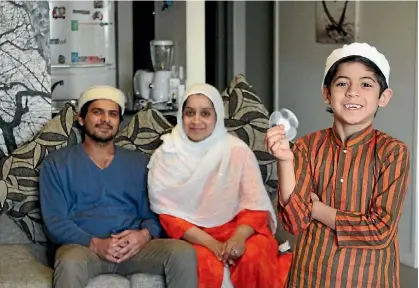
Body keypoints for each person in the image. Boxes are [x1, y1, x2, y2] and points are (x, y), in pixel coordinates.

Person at [265, 42, 410, 287]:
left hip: (369, 279)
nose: (353, 92)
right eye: (342, 83)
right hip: (308, 276)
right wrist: (285, 161)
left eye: (366, 84)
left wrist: (318, 210)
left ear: (383, 97)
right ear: (326, 93)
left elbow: (380, 230)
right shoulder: (306, 147)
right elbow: (294, 222)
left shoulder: (393, 152)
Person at [39, 85, 198, 288]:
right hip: (83, 249)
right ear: (81, 118)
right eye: (98, 112)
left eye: (112, 114)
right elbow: (55, 222)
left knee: (182, 252)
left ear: (119, 123)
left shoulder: (140, 164)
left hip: (134, 250)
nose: (106, 120)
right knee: (69, 261)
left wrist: (144, 235)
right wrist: (95, 243)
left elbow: (156, 214)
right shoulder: (57, 164)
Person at [147, 83, 285, 288]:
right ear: (180, 116)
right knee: (201, 262)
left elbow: (255, 206)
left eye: (205, 113)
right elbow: (168, 216)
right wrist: (213, 244)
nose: (196, 121)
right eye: (189, 113)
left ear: (217, 117)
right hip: (194, 237)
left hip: (240, 231)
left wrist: (238, 238)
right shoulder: (165, 155)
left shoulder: (237, 151)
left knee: (254, 254)